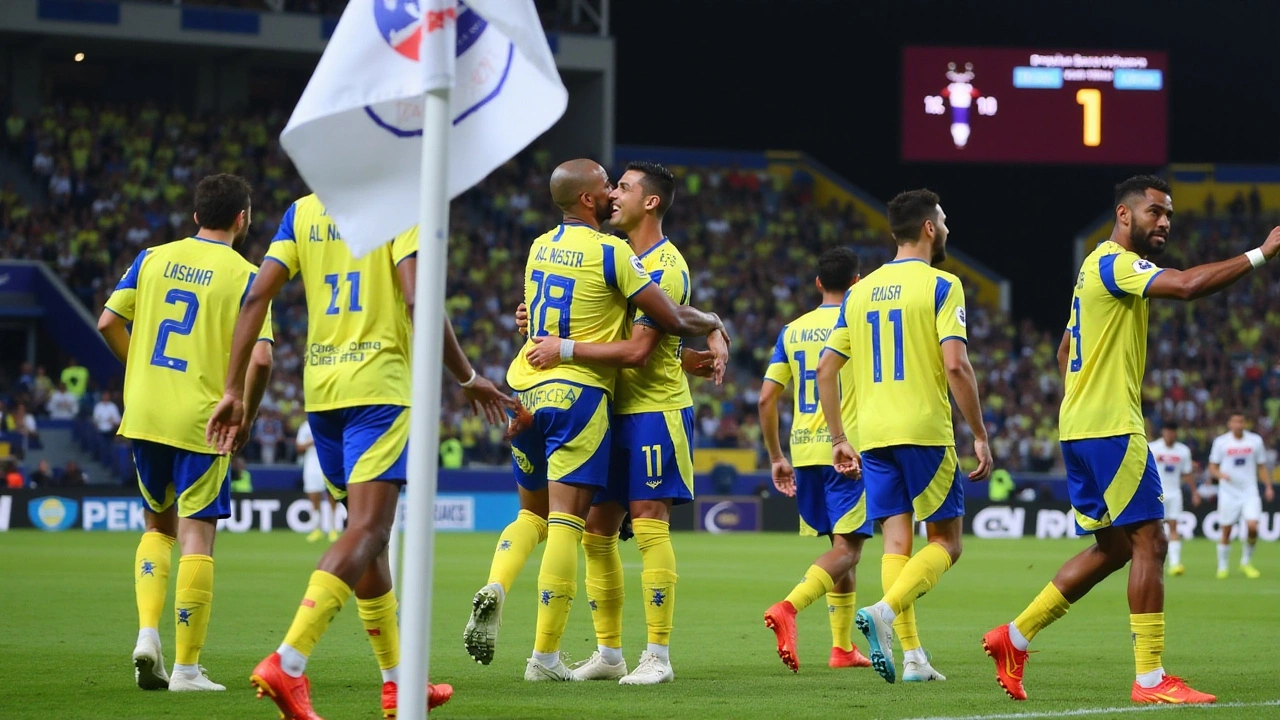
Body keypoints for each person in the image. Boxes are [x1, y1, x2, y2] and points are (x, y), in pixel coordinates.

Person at [208, 193, 513, 719]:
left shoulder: (302, 212)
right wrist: (467, 377)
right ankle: (290, 660)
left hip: (322, 393)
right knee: (370, 530)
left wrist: (233, 387)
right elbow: (417, 300)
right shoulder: (402, 204)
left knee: (371, 541)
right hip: (379, 389)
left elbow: (256, 296)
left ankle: (399, 684)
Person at [983, 176, 1280, 704]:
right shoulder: (1118, 264)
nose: (1164, 221)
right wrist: (1263, 252)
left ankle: (1015, 635)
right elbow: (1187, 286)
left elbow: (1064, 350)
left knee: (1114, 548)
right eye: (1154, 212)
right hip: (1112, 428)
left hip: (1079, 428)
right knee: (1151, 542)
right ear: (1124, 215)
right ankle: (1149, 680)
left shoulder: (1090, 269)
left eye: (1168, 214)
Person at [464, 159, 727, 683]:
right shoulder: (615, 255)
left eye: (624, 187)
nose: (614, 195)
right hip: (604, 407)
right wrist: (535, 319)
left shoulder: (666, 264)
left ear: (648, 201)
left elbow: (644, 348)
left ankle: (657, 656)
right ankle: (609, 654)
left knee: (649, 524)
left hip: (652, 408)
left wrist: (713, 326)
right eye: (611, 186)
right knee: (596, 535)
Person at [97, 173, 275, 693]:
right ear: (243, 219)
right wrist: (243, 410)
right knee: (198, 533)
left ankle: (147, 633)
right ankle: (186, 669)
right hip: (205, 418)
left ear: (197, 215)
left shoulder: (151, 258)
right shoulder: (248, 275)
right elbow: (261, 357)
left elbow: (108, 322)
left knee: (157, 528)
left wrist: (140, 377)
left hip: (146, 413)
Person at [817, 188, 991, 685]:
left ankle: (912, 658)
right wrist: (979, 433)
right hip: (922, 429)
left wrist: (838, 437)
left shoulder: (859, 291)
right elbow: (955, 364)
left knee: (897, 543)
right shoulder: (942, 285)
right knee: (947, 542)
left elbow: (827, 369)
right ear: (930, 228)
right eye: (945, 219)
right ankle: (885, 611)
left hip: (872, 433)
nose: (948, 228)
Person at [759, 246, 877, 674]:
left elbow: (766, 398)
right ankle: (789, 607)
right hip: (848, 449)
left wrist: (776, 455)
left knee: (840, 547)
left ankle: (841, 648)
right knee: (849, 549)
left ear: (817, 284)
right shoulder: (859, 324)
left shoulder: (792, 330)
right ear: (858, 283)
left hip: (805, 451)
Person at [1207, 413, 1275, 579]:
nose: (1238, 424)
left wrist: (1268, 486)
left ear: (1246, 423)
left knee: (1253, 526)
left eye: (1241, 421)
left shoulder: (1255, 441)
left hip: (1249, 491)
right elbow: (1212, 467)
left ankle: (1246, 562)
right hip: (1228, 492)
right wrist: (1220, 475)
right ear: (1230, 423)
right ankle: (1222, 567)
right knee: (1226, 530)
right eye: (1235, 421)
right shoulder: (1221, 442)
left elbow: (1261, 466)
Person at [1148, 421, 1197, 576]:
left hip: (1174, 493)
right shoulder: (1153, 447)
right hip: (1155, 493)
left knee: (1174, 526)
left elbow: (1187, 473)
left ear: (1176, 433)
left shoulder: (1183, 451)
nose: (1170, 434)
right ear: (1163, 432)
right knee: (1152, 529)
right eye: (1167, 431)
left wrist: (1194, 492)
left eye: (1172, 432)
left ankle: (1175, 564)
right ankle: (1149, 562)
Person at [296, 418, 338, 543]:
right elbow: (299, 447)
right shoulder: (305, 426)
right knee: (314, 497)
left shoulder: (330, 422)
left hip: (328, 464)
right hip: (311, 467)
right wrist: (312, 442)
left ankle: (333, 529)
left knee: (332, 496)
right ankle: (316, 529)